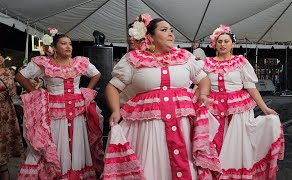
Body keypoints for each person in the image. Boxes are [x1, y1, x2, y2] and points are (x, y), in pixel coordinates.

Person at [102, 18, 220, 180]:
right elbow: (112, 87)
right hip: (148, 125)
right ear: (150, 37)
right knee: (152, 162)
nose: (170, 34)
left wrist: (204, 95)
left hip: (182, 122)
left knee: (184, 160)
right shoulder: (134, 59)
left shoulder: (184, 57)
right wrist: (116, 110)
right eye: (164, 30)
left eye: (171, 30)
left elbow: (203, 79)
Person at [200, 25, 284, 179]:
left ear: (232, 44)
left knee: (236, 144)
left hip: (237, 107)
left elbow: (250, 87)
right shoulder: (207, 63)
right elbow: (201, 86)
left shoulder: (240, 61)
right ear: (215, 44)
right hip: (213, 107)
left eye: (226, 41)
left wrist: (264, 108)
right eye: (220, 41)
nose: (223, 44)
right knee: (213, 141)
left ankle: (232, 174)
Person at [15, 33, 104, 179]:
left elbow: (96, 74)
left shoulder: (79, 62)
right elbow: (20, 76)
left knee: (76, 143)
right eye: (63, 43)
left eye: (70, 43)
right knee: (55, 143)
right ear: (54, 48)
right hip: (54, 112)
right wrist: (35, 93)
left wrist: (87, 90)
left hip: (76, 111)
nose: (68, 46)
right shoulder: (45, 63)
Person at [0, 51, 24, 180]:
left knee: (5, 139)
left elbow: (14, 88)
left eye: (0, 55)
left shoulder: (8, 72)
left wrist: (13, 91)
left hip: (6, 111)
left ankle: (4, 170)